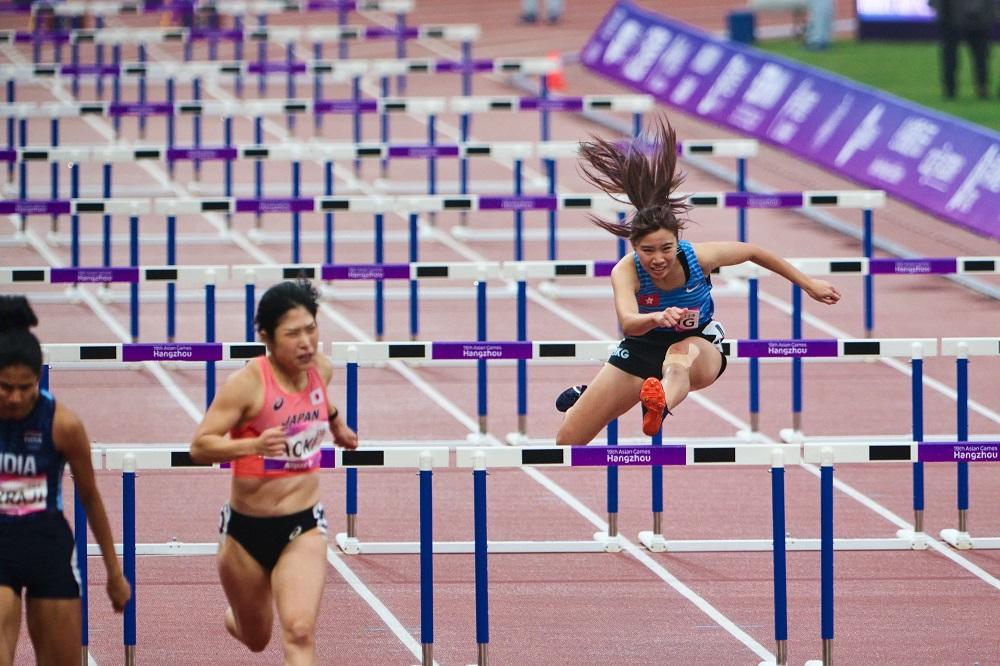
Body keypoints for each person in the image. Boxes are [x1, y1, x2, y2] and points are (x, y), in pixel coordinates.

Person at [554, 117, 841, 446]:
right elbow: (629, 324)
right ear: (634, 248)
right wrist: (657, 317)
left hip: (698, 345)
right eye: (648, 251)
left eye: (666, 248)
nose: (658, 259)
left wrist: (807, 284)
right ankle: (589, 397)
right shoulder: (625, 271)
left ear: (678, 243)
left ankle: (658, 403)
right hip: (641, 347)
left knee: (677, 357)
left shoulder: (698, 258)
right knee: (568, 440)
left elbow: (753, 252)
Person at [189, 280, 358, 664]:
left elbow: (320, 400)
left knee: (299, 631)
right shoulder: (246, 385)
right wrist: (253, 445)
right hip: (245, 533)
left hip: (303, 524)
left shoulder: (322, 370)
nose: (306, 342)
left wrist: (336, 424)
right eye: (293, 334)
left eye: (311, 328)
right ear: (266, 337)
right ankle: (242, 615)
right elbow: (200, 446)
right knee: (256, 637)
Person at [0, 295, 131, 665]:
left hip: (47, 547)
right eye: (5, 386)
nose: (14, 398)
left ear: (39, 378)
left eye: (24, 387)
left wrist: (114, 573)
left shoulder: (63, 425)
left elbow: (90, 498)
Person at [930, 0, 995, 99]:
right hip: (971, 20)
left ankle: (951, 90)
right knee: (979, 56)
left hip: (958, 19)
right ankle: (982, 88)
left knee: (954, 55)